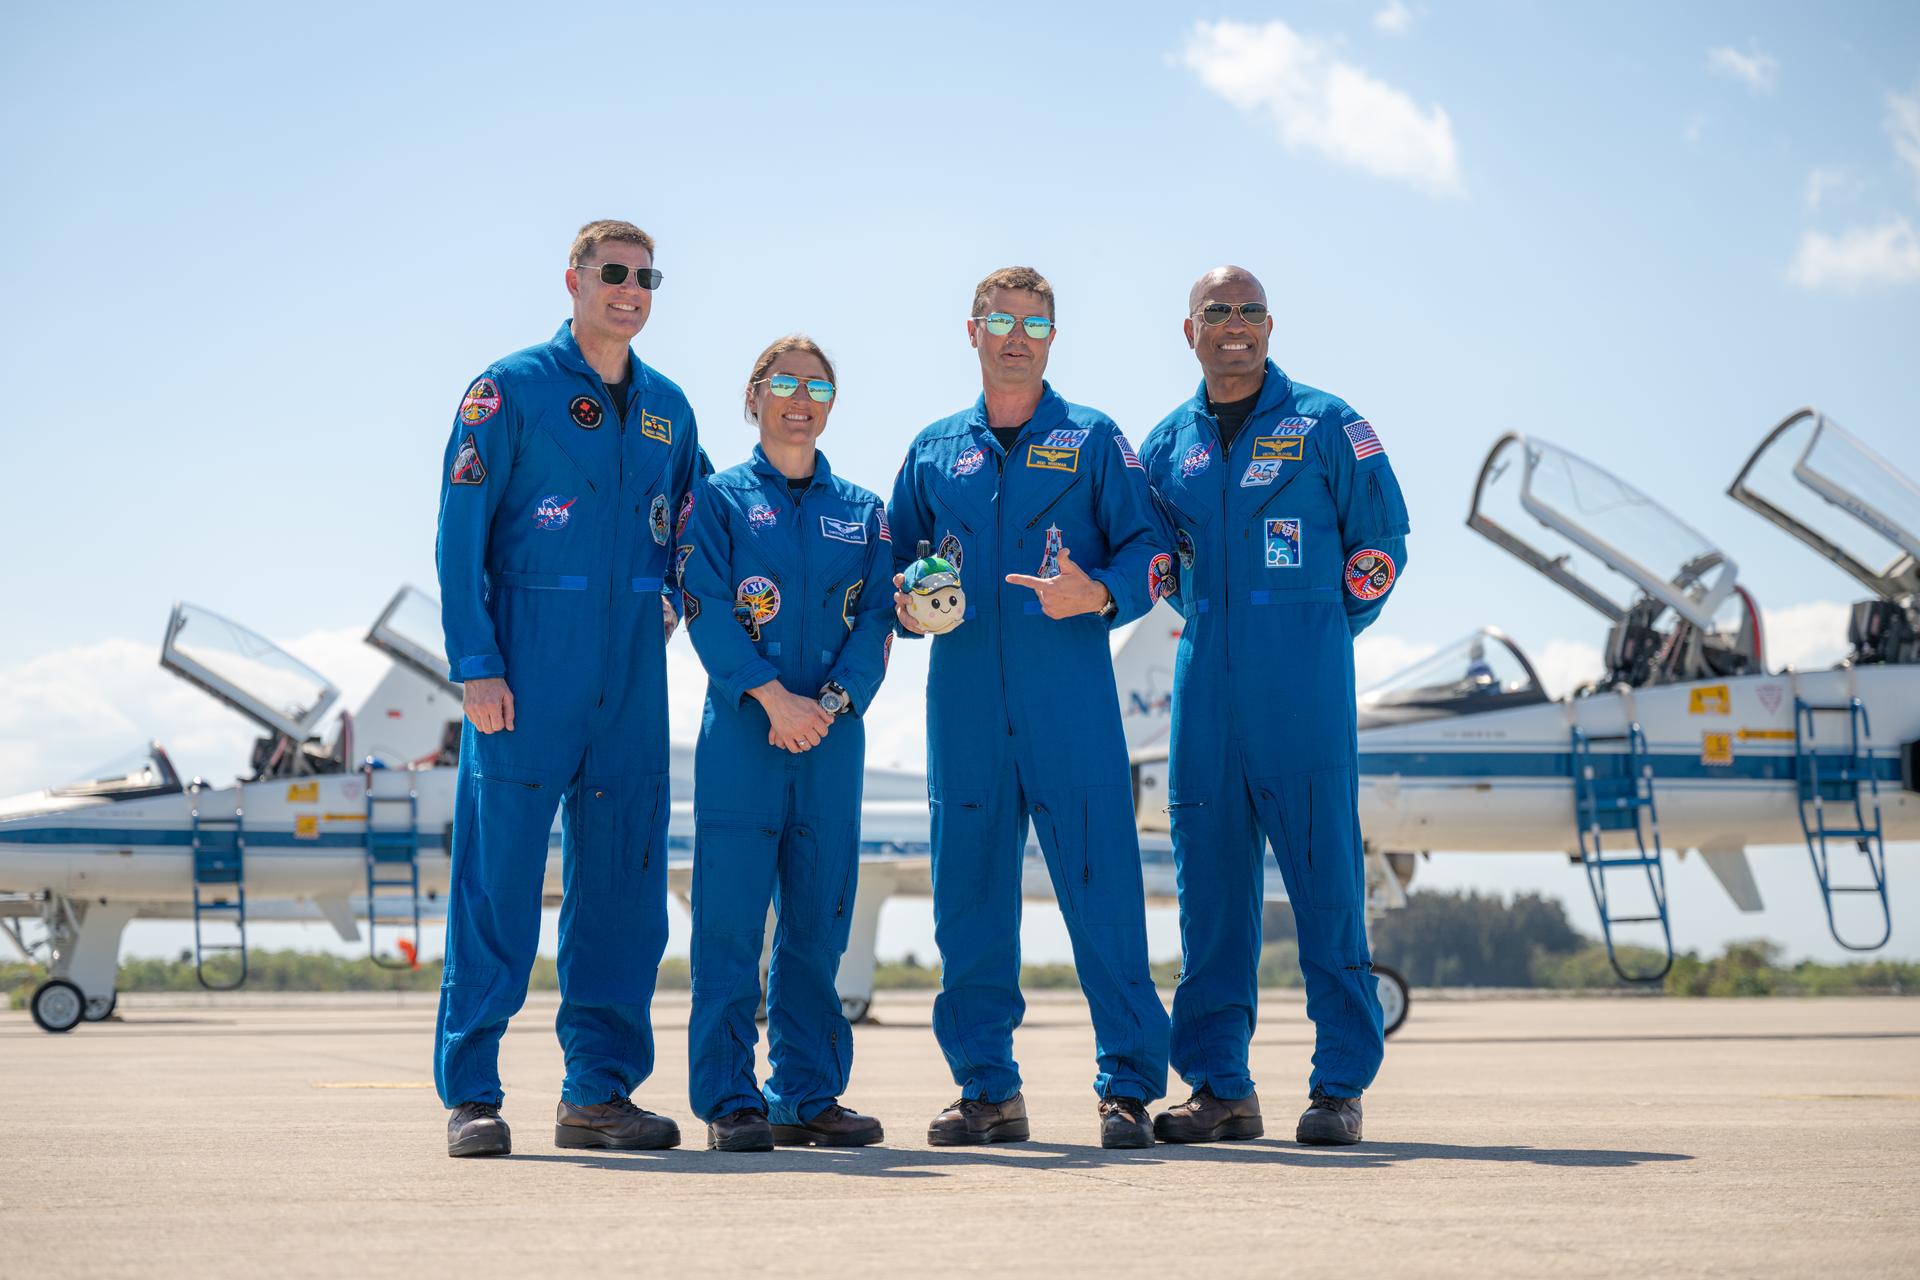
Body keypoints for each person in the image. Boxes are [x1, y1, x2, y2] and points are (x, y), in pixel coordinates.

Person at [433, 219, 703, 1157]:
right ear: (575, 280)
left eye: (646, 276)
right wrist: (476, 662)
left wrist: (678, 597)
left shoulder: (670, 405)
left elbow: (701, 526)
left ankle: (599, 1093)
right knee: (497, 884)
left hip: (630, 673)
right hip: (525, 664)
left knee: (625, 889)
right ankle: (472, 1092)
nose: (631, 289)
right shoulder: (506, 391)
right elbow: (458, 531)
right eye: (614, 273)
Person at [888, 267, 1172, 1149]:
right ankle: (986, 1090)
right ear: (970, 331)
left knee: (1103, 893)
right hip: (964, 705)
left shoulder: (1093, 440)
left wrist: (1097, 594)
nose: (1016, 336)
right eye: (1000, 320)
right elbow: (891, 564)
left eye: (1034, 323)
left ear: (1053, 336)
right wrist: (905, 599)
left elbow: (1153, 551)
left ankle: (1127, 1087)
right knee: (967, 898)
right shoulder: (934, 449)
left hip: (1071, 705)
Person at [1139, 265, 1410, 1147]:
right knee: (1209, 900)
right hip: (1203, 690)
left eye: (1251, 311)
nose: (1235, 325)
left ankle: (1339, 1088)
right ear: (1190, 332)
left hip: (1304, 689)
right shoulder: (1164, 445)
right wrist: (1219, 630)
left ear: (1270, 326)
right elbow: (1160, 569)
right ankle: (1220, 1088)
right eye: (1216, 312)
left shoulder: (1332, 425)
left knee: (1327, 890)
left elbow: (1381, 548)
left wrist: (1318, 630)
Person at [678, 336, 894, 1152]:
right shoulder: (720, 500)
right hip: (743, 734)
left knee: (817, 924)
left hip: (831, 744)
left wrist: (829, 705)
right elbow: (702, 600)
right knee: (729, 928)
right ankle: (731, 1098)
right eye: (784, 383)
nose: (800, 398)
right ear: (755, 396)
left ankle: (805, 1094)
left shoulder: (865, 511)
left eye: (817, 386)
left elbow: (878, 618)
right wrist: (773, 698)